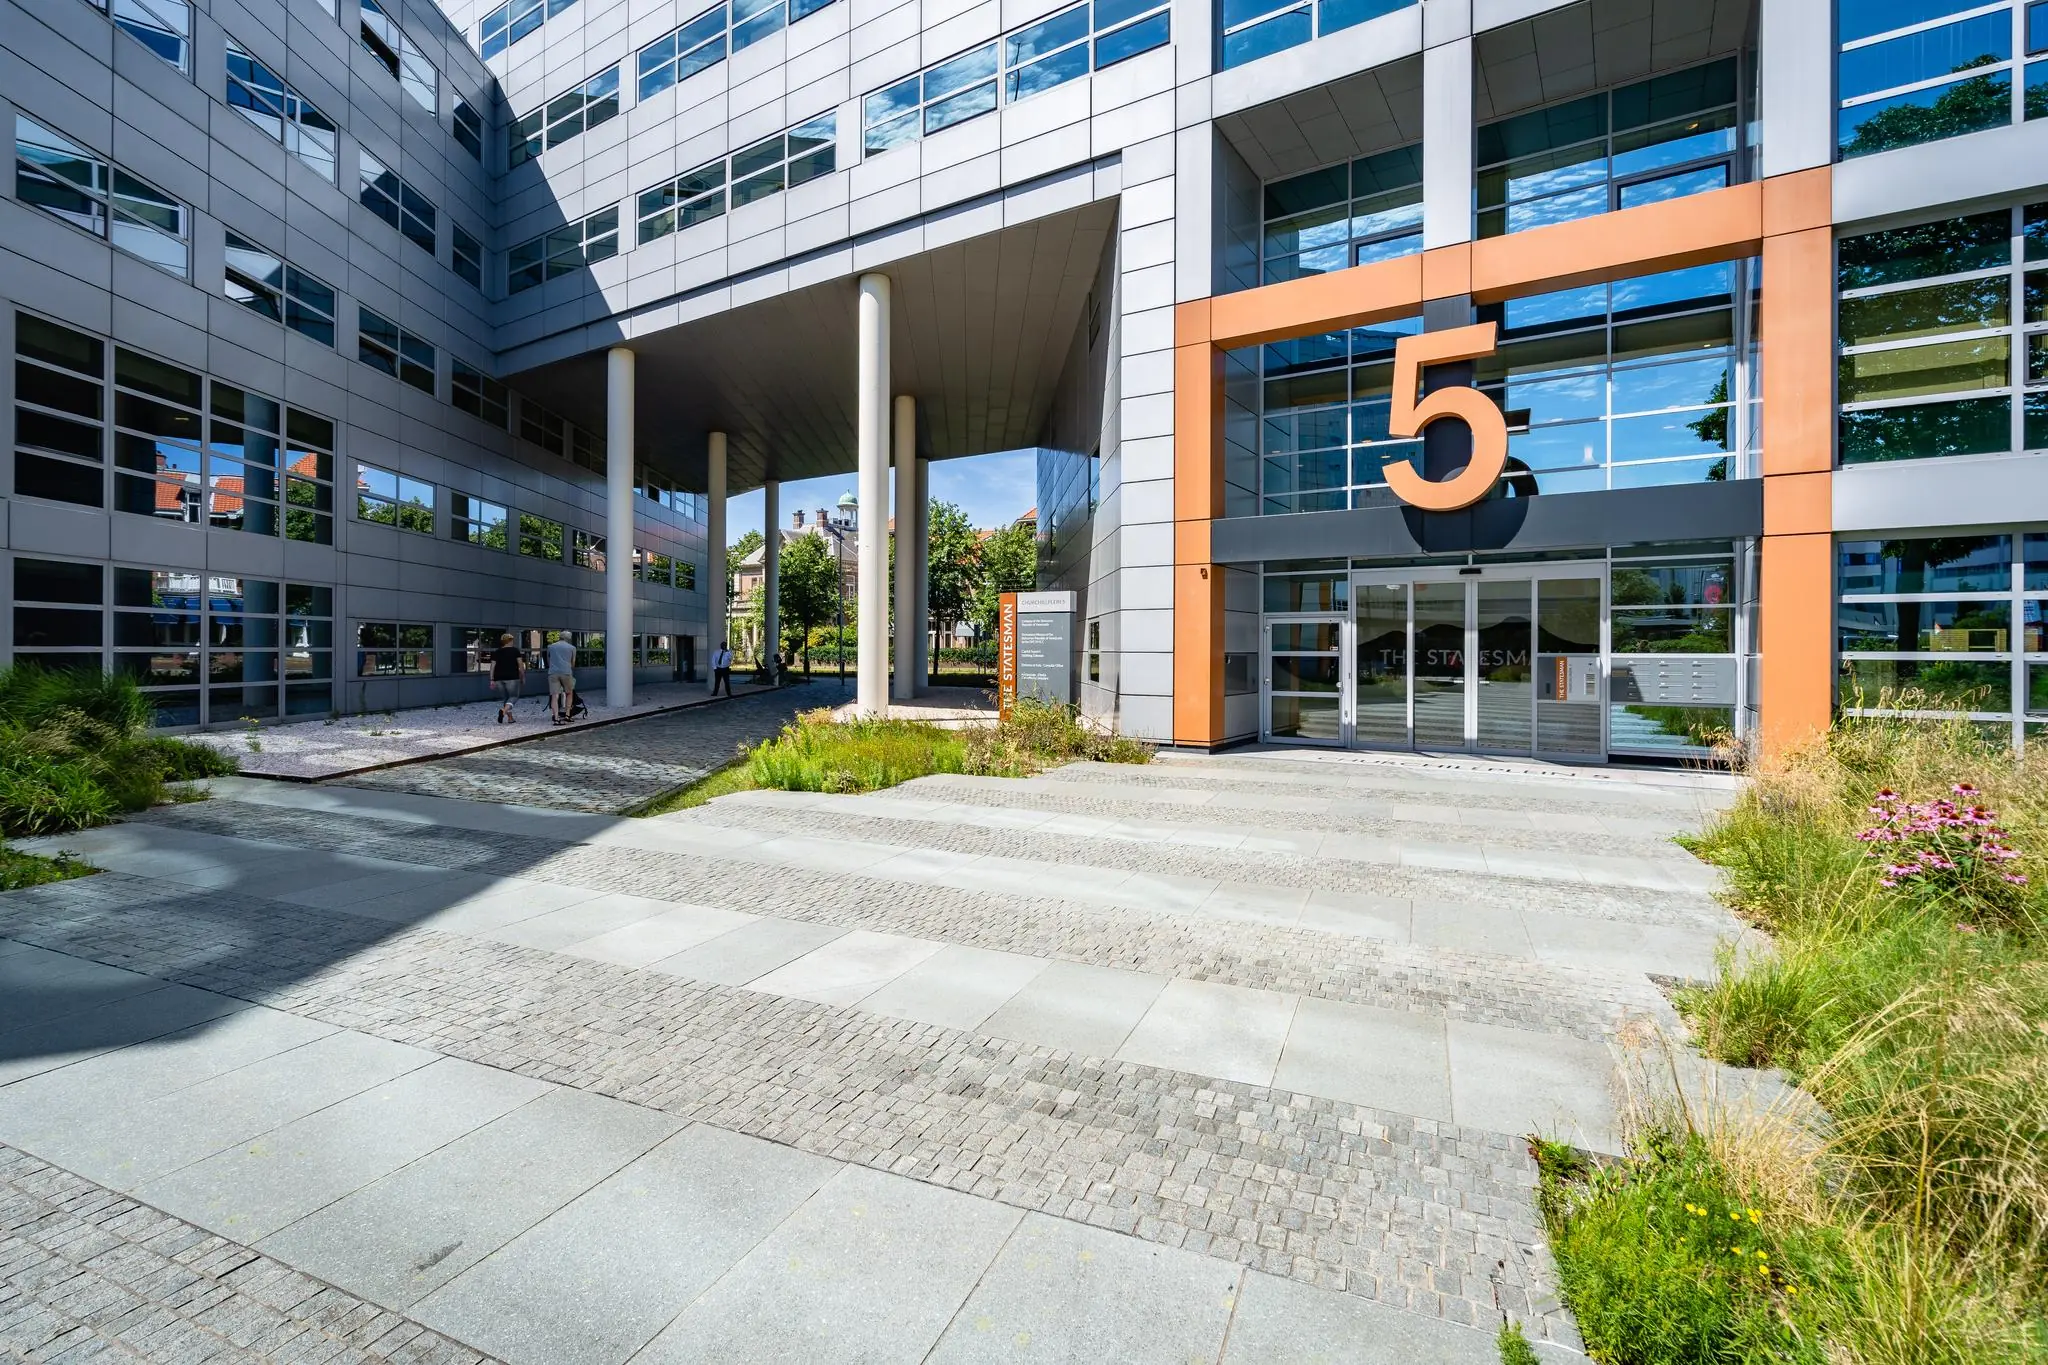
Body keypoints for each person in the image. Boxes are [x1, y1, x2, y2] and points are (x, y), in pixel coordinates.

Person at [489, 632, 525, 723]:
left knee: (506, 698)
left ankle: (510, 718)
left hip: (498, 679)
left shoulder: (496, 652)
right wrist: (522, 677)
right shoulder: (515, 651)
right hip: (512, 677)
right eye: (512, 640)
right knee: (513, 696)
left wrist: (492, 679)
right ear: (509, 641)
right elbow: (520, 665)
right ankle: (503, 711)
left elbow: (492, 667)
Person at [546, 633, 578, 723]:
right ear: (568, 638)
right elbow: (573, 663)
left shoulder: (550, 647)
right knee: (569, 693)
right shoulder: (572, 648)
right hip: (566, 672)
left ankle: (556, 717)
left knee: (554, 695)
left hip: (553, 673)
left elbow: (548, 660)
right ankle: (567, 715)